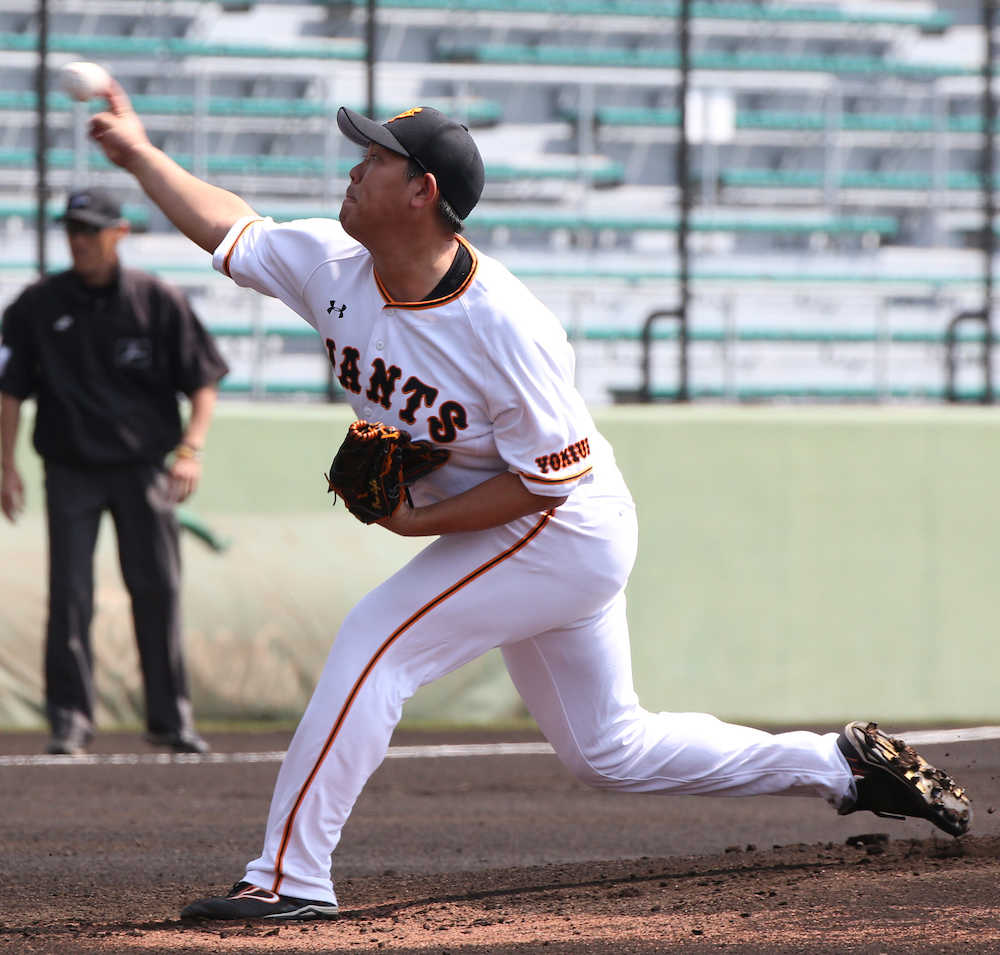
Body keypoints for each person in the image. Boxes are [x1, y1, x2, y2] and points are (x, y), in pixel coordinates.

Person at [83, 81, 971, 922]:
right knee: (610, 751)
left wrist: (417, 522)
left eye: (374, 158)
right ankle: (835, 764)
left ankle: (289, 877)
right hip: (527, 528)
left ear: (422, 191)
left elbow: (546, 482)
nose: (353, 167)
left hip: (561, 529)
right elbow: (229, 227)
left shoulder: (506, 324)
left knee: (376, 642)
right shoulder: (331, 263)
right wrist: (139, 153)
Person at [0, 186, 229, 756]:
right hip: (70, 469)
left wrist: (190, 450)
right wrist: (4, 464)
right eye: (72, 230)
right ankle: (70, 722)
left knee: (158, 589)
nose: (79, 240)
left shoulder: (156, 300)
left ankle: (170, 719)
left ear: (119, 233)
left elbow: (202, 378)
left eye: (90, 229)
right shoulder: (36, 305)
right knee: (69, 594)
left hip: (143, 469)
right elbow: (8, 394)